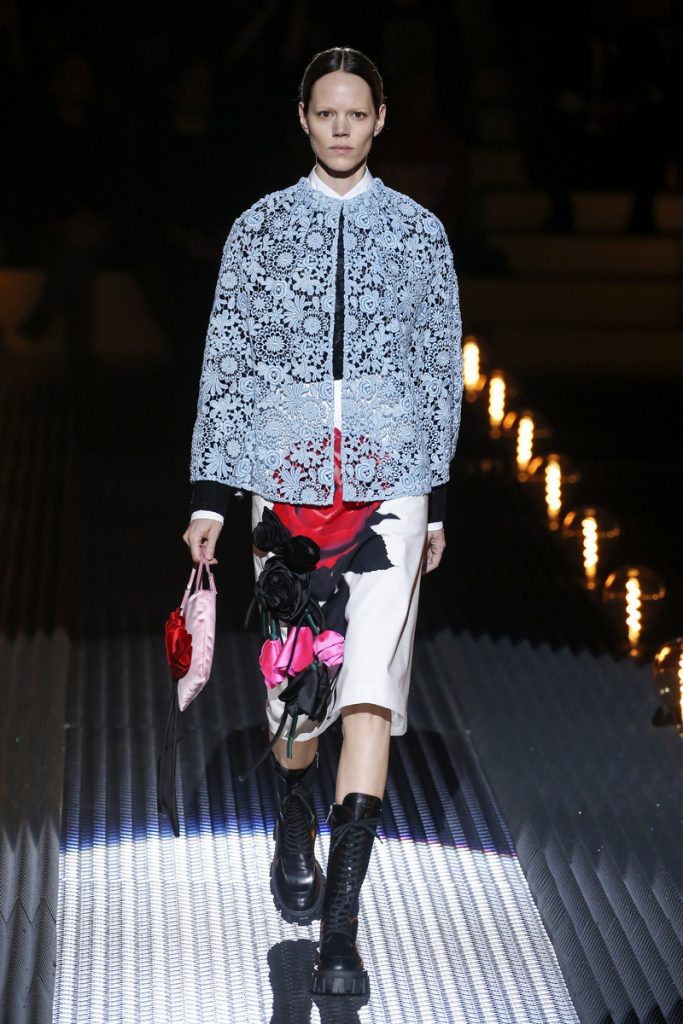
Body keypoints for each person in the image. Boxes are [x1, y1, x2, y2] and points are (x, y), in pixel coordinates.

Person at [183, 45, 463, 997]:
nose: (341, 128)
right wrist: (211, 497)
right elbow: (228, 363)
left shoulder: (419, 234)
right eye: (326, 113)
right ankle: (296, 801)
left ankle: (342, 931)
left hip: (391, 485)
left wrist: (434, 500)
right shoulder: (258, 230)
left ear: (379, 119)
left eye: (357, 113)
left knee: (372, 689)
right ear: (304, 119)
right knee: (295, 702)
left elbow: (437, 371)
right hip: (286, 484)